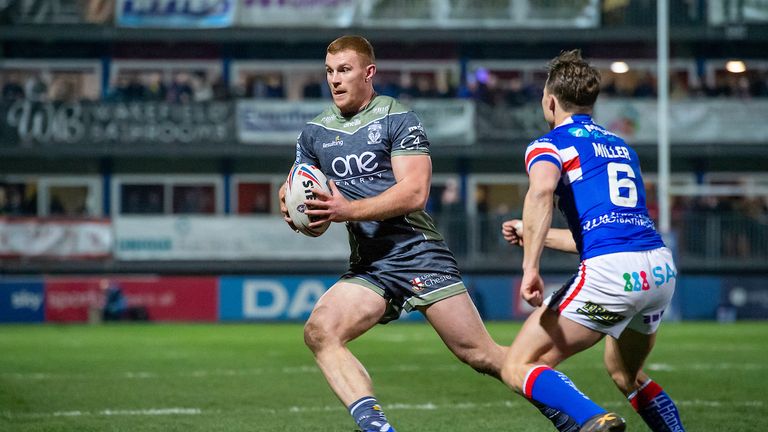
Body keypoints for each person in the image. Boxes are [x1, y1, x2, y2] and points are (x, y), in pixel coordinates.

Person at [279, 35, 578, 432]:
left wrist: (345, 210)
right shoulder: (314, 133)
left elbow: (415, 193)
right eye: (330, 71)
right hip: (371, 266)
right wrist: (292, 205)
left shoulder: (397, 119)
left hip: (418, 252)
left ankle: (571, 408)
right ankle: (376, 428)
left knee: (481, 355)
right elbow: (299, 188)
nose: (335, 79)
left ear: (368, 73)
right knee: (320, 331)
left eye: (345, 70)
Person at [498, 49, 685, 432]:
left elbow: (541, 193)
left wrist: (530, 267)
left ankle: (592, 420)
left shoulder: (549, 144)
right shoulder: (620, 146)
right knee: (624, 373)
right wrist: (533, 233)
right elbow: (601, 233)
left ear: (550, 101)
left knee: (518, 365)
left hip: (612, 273)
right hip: (658, 270)